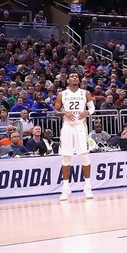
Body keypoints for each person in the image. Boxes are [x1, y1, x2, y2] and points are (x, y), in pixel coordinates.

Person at [54, 71, 95, 200]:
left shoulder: (85, 93)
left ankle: (87, 187)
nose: (74, 77)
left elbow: (93, 109)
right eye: (71, 76)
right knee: (66, 158)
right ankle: (65, 189)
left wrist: (87, 113)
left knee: (84, 156)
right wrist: (64, 113)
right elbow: (55, 111)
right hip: (67, 127)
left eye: (76, 76)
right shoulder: (62, 94)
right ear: (68, 80)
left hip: (80, 126)